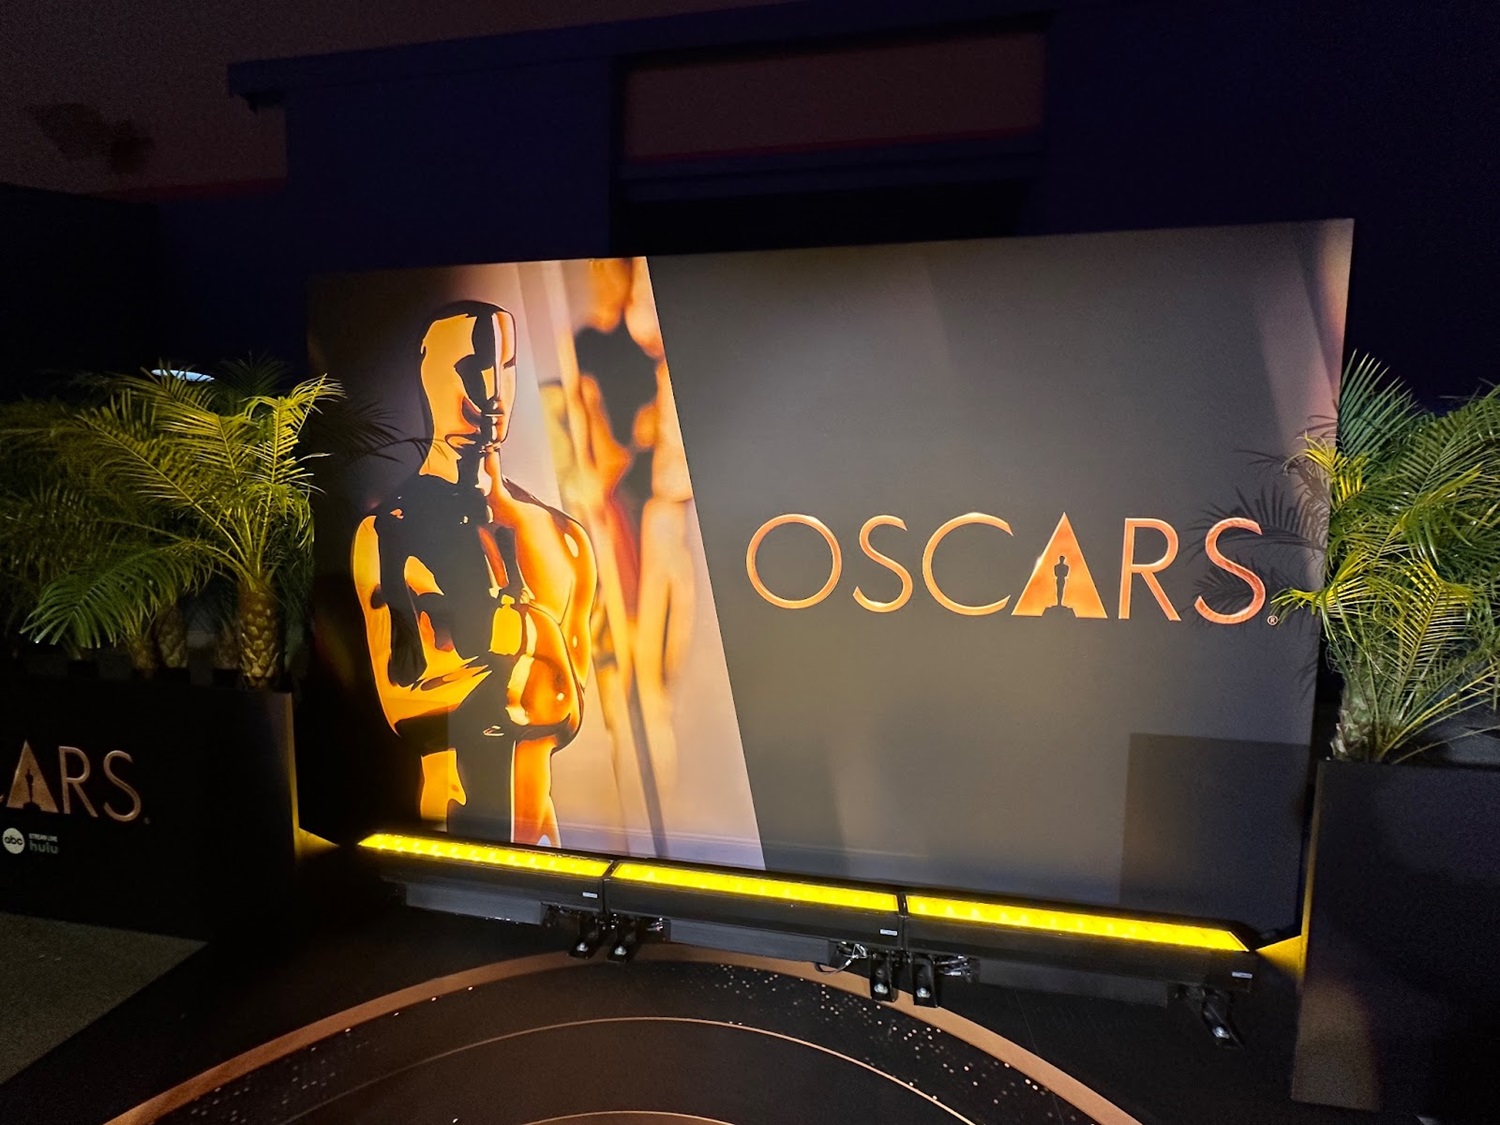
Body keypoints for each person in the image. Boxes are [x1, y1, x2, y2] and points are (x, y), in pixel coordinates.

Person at [351, 302, 597, 845]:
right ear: (430, 377)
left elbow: (565, 705)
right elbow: (402, 702)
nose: (491, 394)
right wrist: (523, 657)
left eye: (505, 369)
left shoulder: (563, 538)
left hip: (545, 844)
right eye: (470, 368)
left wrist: (527, 646)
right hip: (455, 832)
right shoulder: (389, 534)